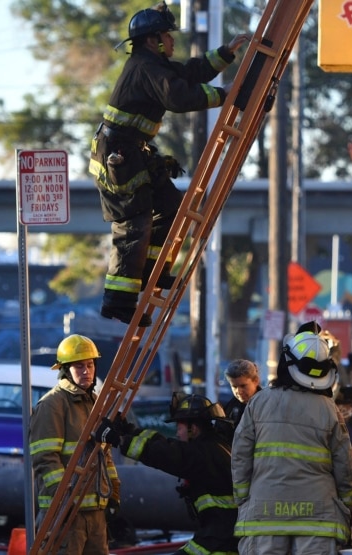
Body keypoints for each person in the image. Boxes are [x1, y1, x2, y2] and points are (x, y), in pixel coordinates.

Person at [91, 1, 251, 326]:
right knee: (133, 223)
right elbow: (178, 97)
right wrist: (224, 95)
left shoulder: (153, 63)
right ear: (153, 39)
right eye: (167, 35)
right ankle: (118, 303)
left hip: (134, 151)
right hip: (118, 155)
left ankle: (154, 272)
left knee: (170, 208)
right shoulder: (146, 68)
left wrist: (227, 51)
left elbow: (189, 73)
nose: (172, 41)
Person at [232, 322, 352, 555]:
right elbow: (344, 465)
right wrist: (347, 505)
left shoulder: (258, 403)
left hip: (264, 515)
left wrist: (244, 499)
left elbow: (240, 456)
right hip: (319, 518)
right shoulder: (329, 409)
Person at [94, 393, 238, 555]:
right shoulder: (211, 446)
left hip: (221, 539)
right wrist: (128, 430)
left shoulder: (202, 454)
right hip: (221, 534)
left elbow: (165, 454)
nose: (177, 433)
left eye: (179, 428)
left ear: (193, 428)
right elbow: (164, 444)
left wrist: (118, 440)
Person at [29, 334, 121, 554]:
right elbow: (45, 458)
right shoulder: (52, 404)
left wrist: (114, 493)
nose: (86, 371)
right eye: (79, 366)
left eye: (90, 365)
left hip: (95, 513)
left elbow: (103, 454)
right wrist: (63, 500)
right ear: (65, 370)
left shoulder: (95, 402)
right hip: (65, 516)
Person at [222, 358, 262, 429]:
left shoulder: (266, 404)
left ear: (256, 381)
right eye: (234, 386)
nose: (239, 391)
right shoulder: (231, 406)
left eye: (243, 386)